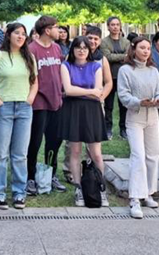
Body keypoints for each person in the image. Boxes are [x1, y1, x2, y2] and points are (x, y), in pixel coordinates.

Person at [0, 23, 38, 210]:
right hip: (2, 109)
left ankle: (19, 193)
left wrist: (29, 99)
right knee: (0, 154)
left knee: (20, 154)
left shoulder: (29, 57)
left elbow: (34, 83)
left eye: (23, 34)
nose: (21, 37)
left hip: (24, 109)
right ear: (8, 35)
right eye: (17, 33)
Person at [117, 36, 159, 219]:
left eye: (148, 48)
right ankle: (135, 198)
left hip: (153, 116)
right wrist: (139, 102)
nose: (146, 51)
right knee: (138, 156)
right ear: (134, 49)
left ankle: (149, 193)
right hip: (135, 117)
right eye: (142, 48)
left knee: (153, 155)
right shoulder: (125, 70)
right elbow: (123, 96)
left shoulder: (153, 70)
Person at [60, 36, 108, 207]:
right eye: (78, 47)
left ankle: (101, 188)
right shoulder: (66, 66)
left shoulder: (96, 66)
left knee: (96, 153)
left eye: (85, 47)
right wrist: (90, 92)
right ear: (72, 49)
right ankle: (78, 188)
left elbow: (99, 90)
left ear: (89, 50)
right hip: (73, 110)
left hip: (92, 111)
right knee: (75, 151)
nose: (81, 50)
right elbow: (68, 90)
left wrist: (77, 91)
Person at [26, 16, 66, 197]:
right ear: (47, 30)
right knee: (34, 142)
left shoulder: (57, 48)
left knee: (54, 141)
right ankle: (30, 177)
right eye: (56, 27)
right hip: (39, 103)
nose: (60, 31)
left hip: (56, 102)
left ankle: (51, 174)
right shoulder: (31, 49)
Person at [100, 16, 130, 140]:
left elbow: (129, 57)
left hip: (123, 77)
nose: (115, 27)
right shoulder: (104, 42)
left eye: (117, 24)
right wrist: (123, 56)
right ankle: (108, 128)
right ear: (108, 26)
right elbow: (107, 57)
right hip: (109, 77)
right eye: (112, 24)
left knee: (123, 104)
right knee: (109, 105)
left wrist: (117, 56)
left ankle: (123, 129)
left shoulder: (126, 42)